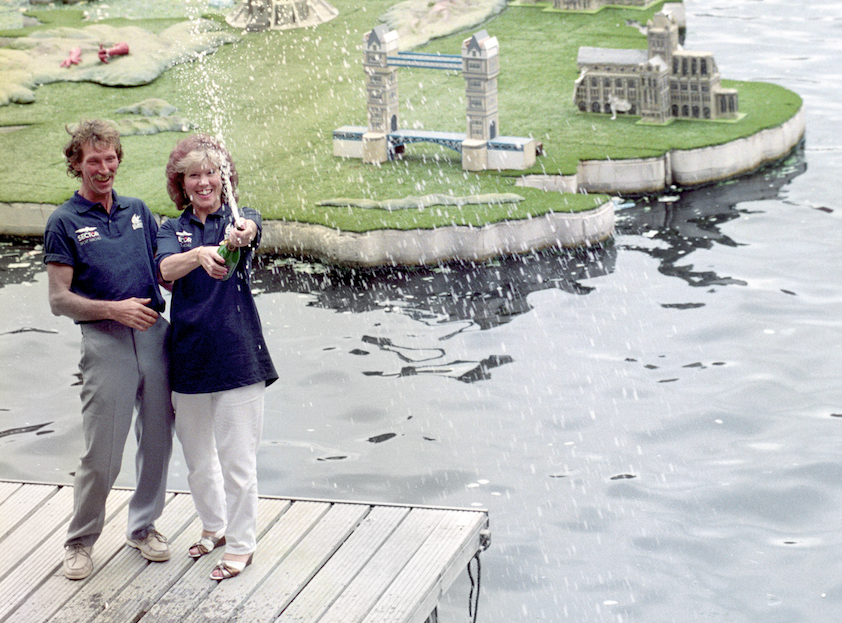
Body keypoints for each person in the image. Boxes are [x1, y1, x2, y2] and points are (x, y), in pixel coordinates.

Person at [43, 119, 175, 580]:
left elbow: (161, 273)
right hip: (105, 340)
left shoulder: (138, 209)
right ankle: (79, 541)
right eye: (93, 160)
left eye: (110, 158)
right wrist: (113, 310)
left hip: (156, 335)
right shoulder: (64, 221)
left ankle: (143, 528)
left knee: (157, 442)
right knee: (103, 454)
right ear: (76, 164)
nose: (104, 168)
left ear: (119, 158)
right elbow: (59, 300)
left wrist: (205, 254)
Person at [156, 134, 277, 581]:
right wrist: (199, 254)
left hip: (238, 359)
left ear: (223, 180)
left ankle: (243, 546)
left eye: (211, 173)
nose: (204, 182)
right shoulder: (170, 230)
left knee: (237, 461)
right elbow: (165, 270)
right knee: (198, 458)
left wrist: (240, 236)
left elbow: (252, 232)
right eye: (194, 175)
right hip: (187, 360)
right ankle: (214, 526)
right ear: (182, 183)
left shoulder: (241, 220)